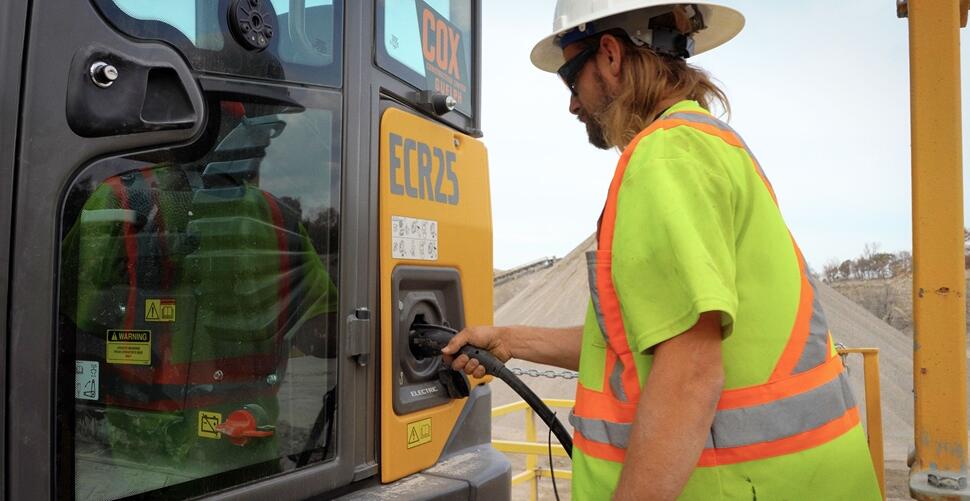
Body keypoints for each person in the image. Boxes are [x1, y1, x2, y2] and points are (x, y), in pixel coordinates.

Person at [443, 1, 882, 499]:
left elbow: (689, 375)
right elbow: (636, 345)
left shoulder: (665, 155)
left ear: (610, 55)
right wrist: (508, 340)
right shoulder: (708, 144)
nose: (572, 104)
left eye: (571, 80)